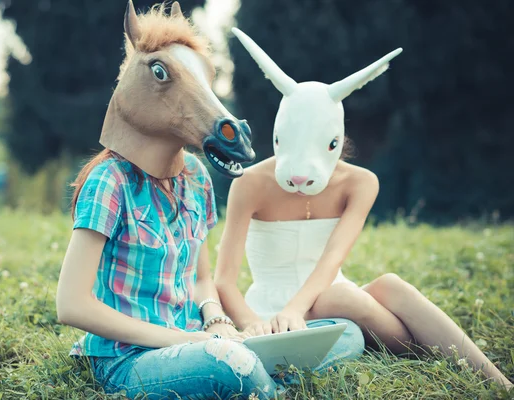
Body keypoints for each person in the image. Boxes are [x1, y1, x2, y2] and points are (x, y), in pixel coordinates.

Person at [214, 28, 513, 390]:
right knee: (343, 295)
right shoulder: (249, 183)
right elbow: (224, 280)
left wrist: (299, 305)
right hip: (273, 316)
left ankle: (498, 381)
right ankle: (433, 354)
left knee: (387, 285)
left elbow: (332, 260)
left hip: (335, 299)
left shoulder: (361, 183)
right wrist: (253, 323)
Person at [56, 3, 279, 398]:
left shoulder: (195, 177)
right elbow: (72, 304)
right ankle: (270, 384)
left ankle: (260, 369)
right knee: (231, 366)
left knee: (345, 335)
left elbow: (202, 279)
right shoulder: (109, 182)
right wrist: (189, 343)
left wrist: (214, 320)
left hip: (197, 341)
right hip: (124, 360)